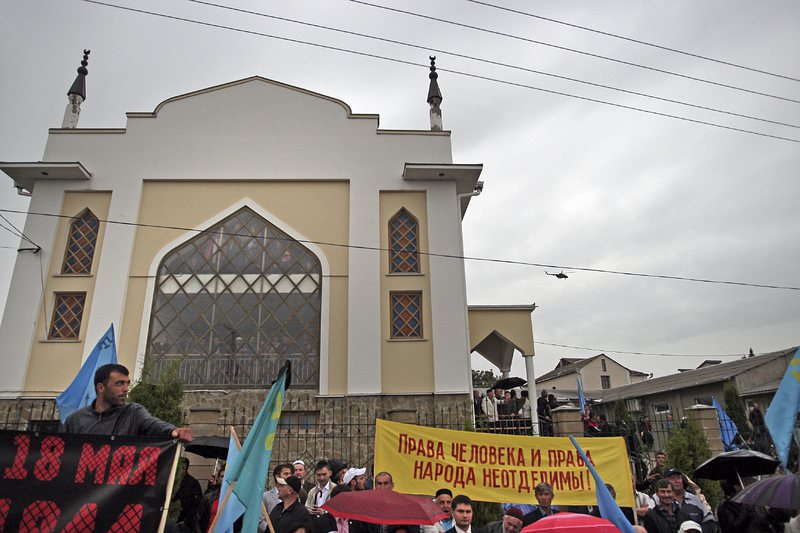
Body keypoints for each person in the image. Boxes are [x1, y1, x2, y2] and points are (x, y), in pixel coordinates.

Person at [63, 363, 193, 441]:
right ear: (101, 387)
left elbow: (152, 424)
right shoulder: (75, 421)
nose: (125, 389)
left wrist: (174, 431)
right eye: (119, 383)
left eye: (127, 383)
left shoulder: (133, 413)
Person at [176, 457, 203, 533]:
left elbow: (197, 505)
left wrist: (186, 521)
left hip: (184, 524)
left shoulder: (193, 484)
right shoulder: (172, 481)